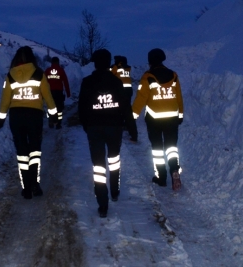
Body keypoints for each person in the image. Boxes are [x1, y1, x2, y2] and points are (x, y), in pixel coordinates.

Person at [78, 49, 138, 218]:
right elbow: (126, 108)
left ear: (95, 63)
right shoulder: (116, 82)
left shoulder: (87, 82)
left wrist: (87, 126)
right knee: (114, 160)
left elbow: (81, 108)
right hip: (114, 128)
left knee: (98, 166)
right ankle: (115, 191)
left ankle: (102, 204)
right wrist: (131, 130)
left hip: (94, 128)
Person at [0, 46, 58, 199]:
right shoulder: (39, 74)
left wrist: (1, 118)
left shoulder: (11, 75)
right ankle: (35, 184)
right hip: (34, 117)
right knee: (34, 151)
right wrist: (54, 115)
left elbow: (5, 100)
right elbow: (48, 97)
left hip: (16, 117)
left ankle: (26, 188)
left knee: (22, 153)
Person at [132, 48, 184, 191]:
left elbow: (141, 99)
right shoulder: (173, 75)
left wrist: (132, 116)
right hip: (172, 118)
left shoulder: (147, 77)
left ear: (150, 61)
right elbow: (179, 97)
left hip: (154, 119)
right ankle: (174, 170)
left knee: (157, 149)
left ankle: (161, 177)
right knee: (171, 147)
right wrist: (180, 115)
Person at [44, 56, 71, 129]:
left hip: (50, 93)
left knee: (50, 107)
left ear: (51, 62)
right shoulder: (61, 70)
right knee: (59, 109)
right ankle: (58, 124)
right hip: (59, 93)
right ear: (58, 62)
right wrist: (68, 93)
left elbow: (43, 82)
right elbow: (65, 82)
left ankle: (50, 121)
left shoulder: (47, 70)